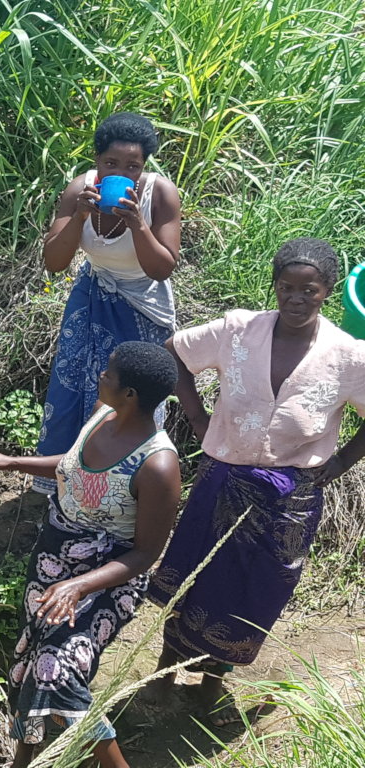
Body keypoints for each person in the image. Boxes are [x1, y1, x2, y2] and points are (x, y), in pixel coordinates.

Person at [145, 237, 365, 725]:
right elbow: (174, 353)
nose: (296, 298)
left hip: (290, 500)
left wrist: (343, 461)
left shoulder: (349, 357)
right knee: (194, 576)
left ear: (327, 291)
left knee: (251, 591)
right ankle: (162, 672)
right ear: (275, 285)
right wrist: (197, 417)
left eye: (309, 290)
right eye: (287, 287)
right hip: (222, 481)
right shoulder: (237, 330)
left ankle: (212, 682)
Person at [0, 342, 182, 768]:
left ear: (131, 393)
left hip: (109, 577)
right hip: (53, 560)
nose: (101, 376)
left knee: (59, 671)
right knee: (31, 656)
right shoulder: (102, 415)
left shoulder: (158, 465)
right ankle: (23, 759)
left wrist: (78, 586)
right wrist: (11, 462)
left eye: (109, 373)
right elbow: (74, 467)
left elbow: (146, 554)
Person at [32, 112, 182, 496]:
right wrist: (80, 215)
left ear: (144, 168)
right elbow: (54, 262)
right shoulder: (78, 190)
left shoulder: (159, 194)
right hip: (93, 293)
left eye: (133, 167)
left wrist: (138, 224)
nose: (121, 173)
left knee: (128, 400)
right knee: (71, 386)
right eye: (111, 164)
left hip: (142, 306)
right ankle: (65, 483)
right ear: (97, 161)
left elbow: (161, 269)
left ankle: (119, 489)